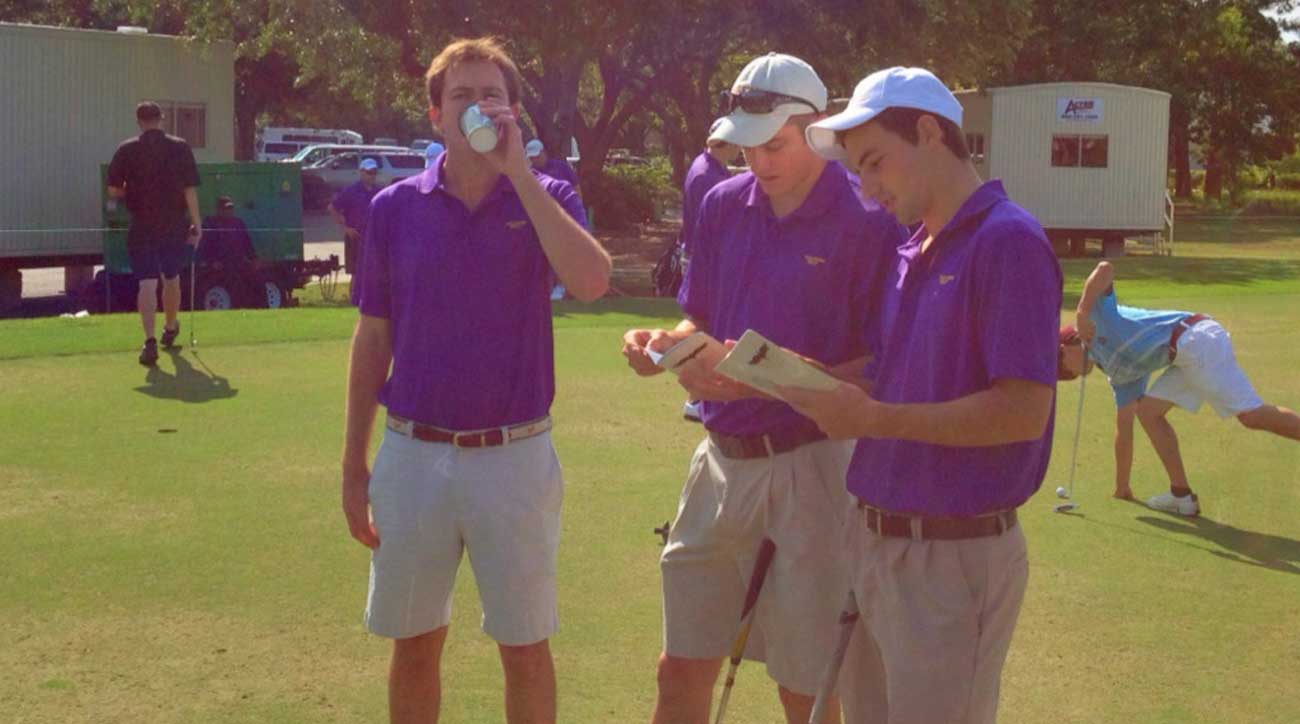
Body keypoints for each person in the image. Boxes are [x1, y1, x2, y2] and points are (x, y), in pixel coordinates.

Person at [621, 52, 904, 724]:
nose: (759, 160)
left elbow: (880, 368)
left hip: (816, 467)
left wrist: (758, 381)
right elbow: (704, 317)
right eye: (746, 144)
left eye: (774, 143)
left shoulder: (868, 218)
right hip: (719, 460)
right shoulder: (722, 205)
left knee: (806, 688)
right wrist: (668, 346)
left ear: (815, 127)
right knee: (678, 669)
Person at [342, 37, 610, 724]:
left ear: (513, 109)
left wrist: (518, 173)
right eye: (461, 95)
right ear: (435, 116)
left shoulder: (547, 193)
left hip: (514, 455)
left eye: (491, 94)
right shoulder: (395, 208)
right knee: (415, 640)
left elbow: (590, 281)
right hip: (413, 451)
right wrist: (353, 465)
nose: (477, 106)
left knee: (524, 646)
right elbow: (372, 336)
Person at [785, 66, 1062, 724]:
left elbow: (1022, 412)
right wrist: (812, 380)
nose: (867, 188)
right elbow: (900, 373)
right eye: (857, 171)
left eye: (876, 162)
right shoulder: (914, 249)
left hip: (952, 556)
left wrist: (873, 417)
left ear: (932, 132)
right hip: (876, 540)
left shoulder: (1008, 241)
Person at [1058, 260, 1300, 514]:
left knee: (1251, 416)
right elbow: (1124, 427)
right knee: (1148, 412)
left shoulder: (1095, 316)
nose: (1072, 375)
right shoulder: (1119, 373)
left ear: (1065, 347)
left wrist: (1083, 311)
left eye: (1065, 368)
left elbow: (1105, 268)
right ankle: (1181, 495)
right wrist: (1122, 486)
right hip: (1184, 357)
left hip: (1196, 338)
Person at [106, 101, 202, 366]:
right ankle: (170, 327)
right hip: (173, 224)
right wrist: (197, 223)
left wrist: (132, 193)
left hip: (142, 224)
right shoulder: (180, 147)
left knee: (146, 283)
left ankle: (149, 341)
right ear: (161, 119)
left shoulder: (127, 150)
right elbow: (189, 190)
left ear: (139, 121)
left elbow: (113, 191)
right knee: (171, 278)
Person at [328, 158, 382, 305]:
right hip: (355, 237)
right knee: (356, 272)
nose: (372, 175)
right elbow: (333, 208)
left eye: (374, 172)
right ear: (361, 172)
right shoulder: (351, 191)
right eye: (369, 172)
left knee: (374, 271)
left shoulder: (380, 192)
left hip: (374, 238)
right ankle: (354, 300)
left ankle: (371, 301)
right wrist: (345, 228)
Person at [200, 196, 256, 268]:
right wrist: (211, 262)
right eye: (225, 208)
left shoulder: (238, 223)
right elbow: (204, 246)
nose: (228, 211)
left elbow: (247, 242)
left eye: (230, 208)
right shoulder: (209, 223)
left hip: (237, 263)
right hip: (217, 265)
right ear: (218, 209)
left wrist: (253, 258)